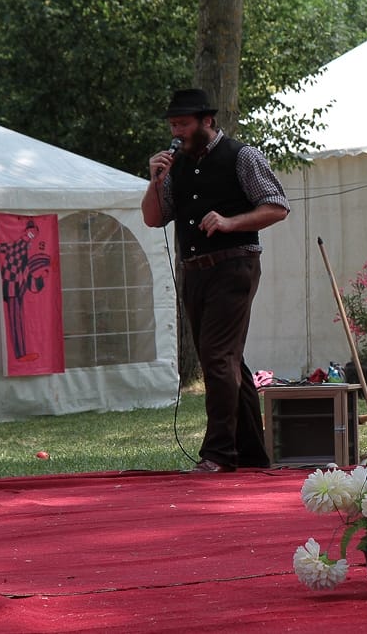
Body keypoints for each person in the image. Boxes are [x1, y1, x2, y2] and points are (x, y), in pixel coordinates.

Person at [142, 88, 289, 473]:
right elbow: (154, 218)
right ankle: (252, 453)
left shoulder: (242, 156)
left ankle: (219, 453)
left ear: (207, 121)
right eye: (173, 125)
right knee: (227, 358)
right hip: (195, 271)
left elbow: (277, 207)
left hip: (234, 265)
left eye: (183, 124)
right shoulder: (174, 165)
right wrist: (155, 180)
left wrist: (230, 222)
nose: (176, 132)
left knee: (217, 357)